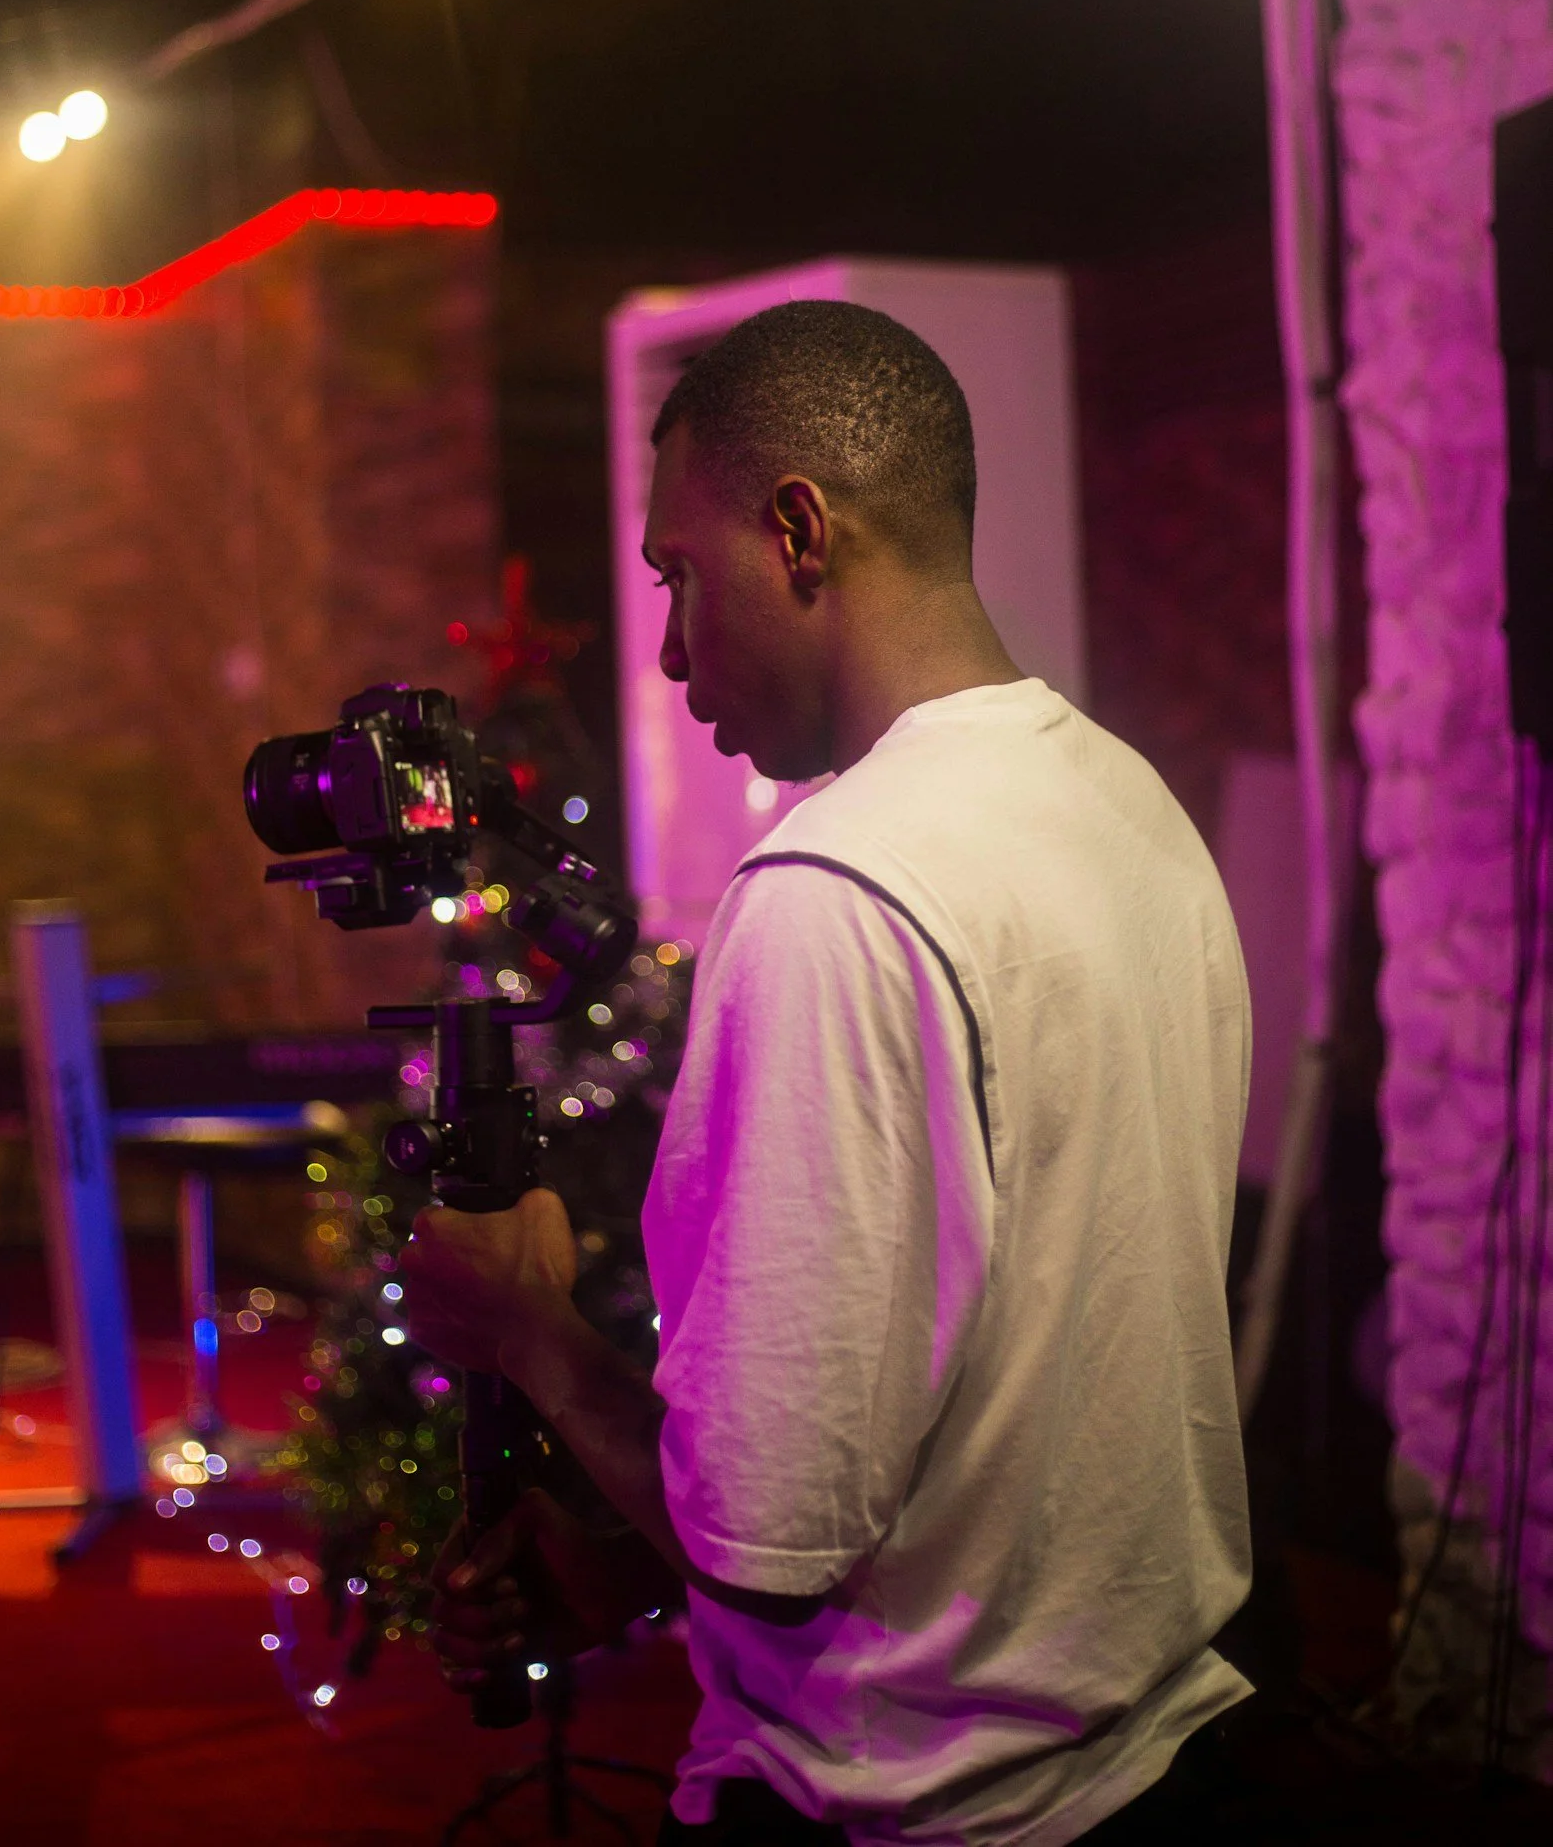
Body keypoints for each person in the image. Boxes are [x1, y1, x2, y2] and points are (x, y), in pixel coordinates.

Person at [402, 300, 1254, 1845]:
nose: (662, 649)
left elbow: (764, 1547)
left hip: (913, 1811)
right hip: (1147, 1759)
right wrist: (601, 1570)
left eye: (677, 574)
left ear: (798, 530)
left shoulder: (835, 889)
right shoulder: (1125, 804)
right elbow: (1008, 1379)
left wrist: (520, 1325)